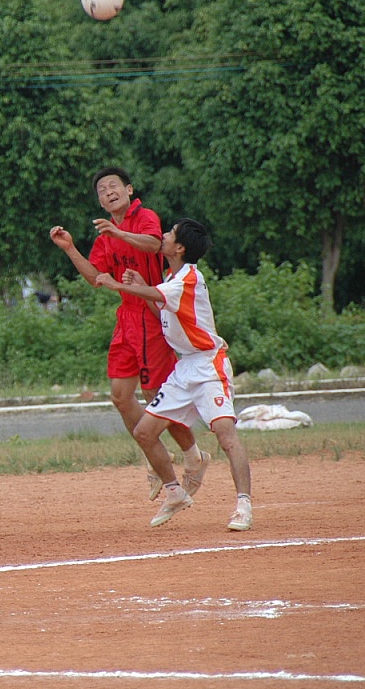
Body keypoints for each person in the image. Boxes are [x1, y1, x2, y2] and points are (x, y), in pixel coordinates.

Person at [49, 167, 209, 501]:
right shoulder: (105, 235)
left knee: (156, 397)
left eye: (113, 186)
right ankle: (157, 455)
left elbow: (153, 244)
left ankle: (193, 455)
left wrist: (118, 233)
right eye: (101, 190)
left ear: (129, 190)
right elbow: (96, 277)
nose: (108, 192)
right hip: (127, 317)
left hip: (150, 314)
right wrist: (70, 249)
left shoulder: (144, 217)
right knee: (121, 397)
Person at [96, 218, 253, 531]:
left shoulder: (189, 278)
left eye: (169, 234)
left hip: (208, 365)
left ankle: (243, 505)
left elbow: (158, 296)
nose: (163, 236)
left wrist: (119, 285)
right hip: (184, 369)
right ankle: (174, 492)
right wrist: (143, 286)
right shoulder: (172, 277)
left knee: (225, 436)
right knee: (144, 432)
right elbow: (160, 308)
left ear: (179, 248)